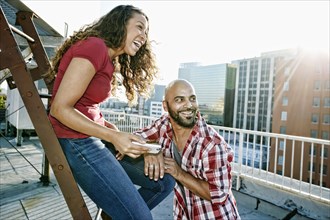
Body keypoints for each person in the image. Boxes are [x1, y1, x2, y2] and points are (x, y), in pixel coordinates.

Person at [46, 5, 174, 220]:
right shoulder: (94, 47)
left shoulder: (108, 57)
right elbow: (60, 108)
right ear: (120, 24)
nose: (144, 36)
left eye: (146, 31)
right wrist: (113, 136)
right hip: (77, 142)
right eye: (139, 27)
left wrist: (109, 128)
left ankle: (115, 214)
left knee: (164, 182)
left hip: (90, 137)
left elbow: (86, 106)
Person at [135, 79, 241, 219]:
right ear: (165, 106)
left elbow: (219, 194)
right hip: (184, 214)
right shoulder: (164, 124)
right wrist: (150, 150)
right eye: (179, 100)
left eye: (192, 99)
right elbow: (136, 137)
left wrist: (178, 173)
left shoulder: (212, 144)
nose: (188, 105)